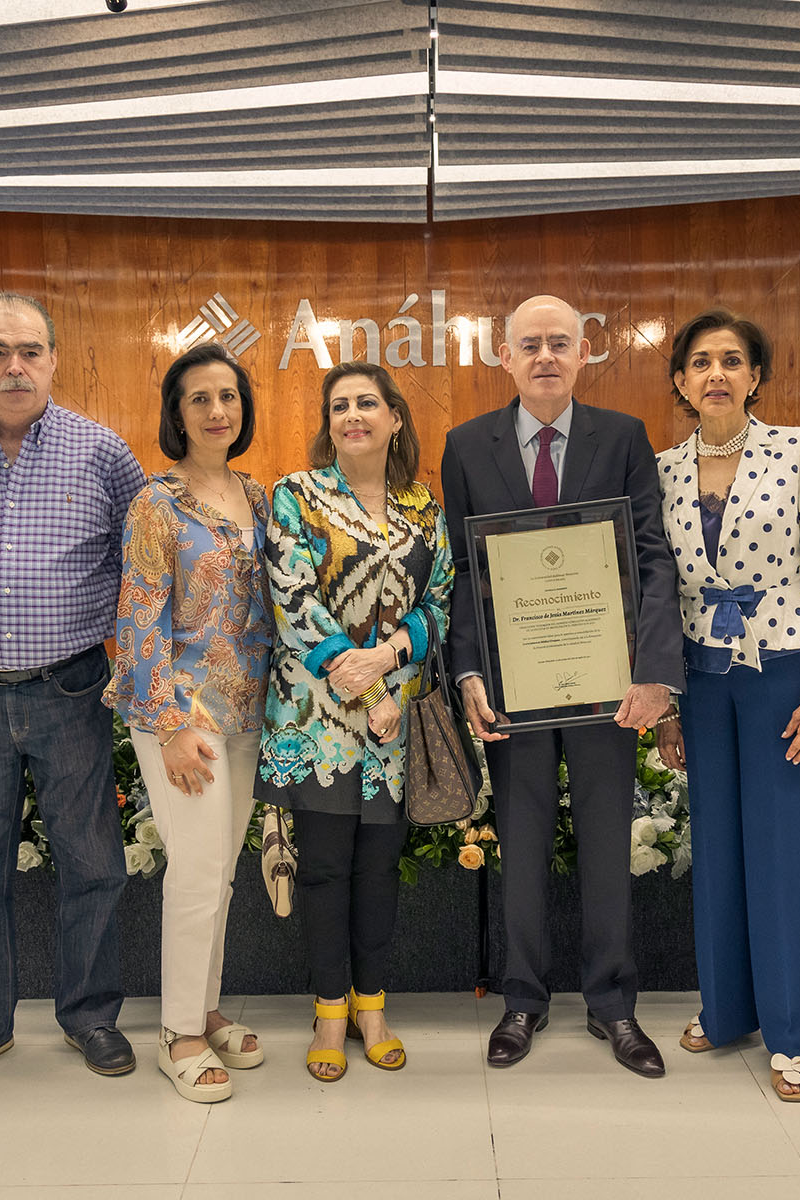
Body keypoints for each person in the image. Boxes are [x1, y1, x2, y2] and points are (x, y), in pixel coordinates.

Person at [0, 291, 147, 1090]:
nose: (16, 366)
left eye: (31, 350)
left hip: (71, 687)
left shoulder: (103, 451)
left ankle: (91, 1017)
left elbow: (141, 561)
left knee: (92, 861)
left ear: (52, 359)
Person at [442, 294, 682, 1078]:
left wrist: (653, 674)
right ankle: (523, 997)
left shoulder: (622, 438)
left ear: (585, 354)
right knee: (522, 843)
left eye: (560, 343)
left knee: (610, 844)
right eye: (529, 344)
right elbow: (463, 575)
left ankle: (613, 1005)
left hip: (608, 688)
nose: (545, 356)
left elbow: (651, 557)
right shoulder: (466, 446)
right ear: (503, 358)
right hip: (514, 689)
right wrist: (470, 674)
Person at [651, 308, 800, 1102]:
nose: (717, 375)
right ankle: (727, 1008)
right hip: (703, 675)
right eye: (701, 363)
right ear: (679, 381)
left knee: (787, 851)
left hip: (783, 669)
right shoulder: (664, 469)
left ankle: (796, 1029)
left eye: (733, 361)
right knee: (722, 846)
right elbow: (659, 595)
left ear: (756, 376)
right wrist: (667, 705)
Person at [257, 361, 452, 1083]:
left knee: (378, 871)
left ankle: (374, 1009)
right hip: (318, 720)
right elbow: (292, 600)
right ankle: (329, 1014)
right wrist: (367, 685)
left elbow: (442, 601)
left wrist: (392, 659)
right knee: (326, 870)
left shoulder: (423, 508)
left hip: (395, 724)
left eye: (367, 403)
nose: (353, 415)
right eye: (339, 406)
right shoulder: (295, 496)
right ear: (327, 424)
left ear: (395, 418)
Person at [104, 343, 272, 1103]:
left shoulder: (261, 498)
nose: (216, 411)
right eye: (199, 398)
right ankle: (178, 1032)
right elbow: (137, 620)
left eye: (228, 396)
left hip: (251, 713)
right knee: (198, 868)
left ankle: (204, 1009)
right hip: (180, 716)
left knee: (223, 872)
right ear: (177, 413)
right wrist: (170, 723)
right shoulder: (156, 502)